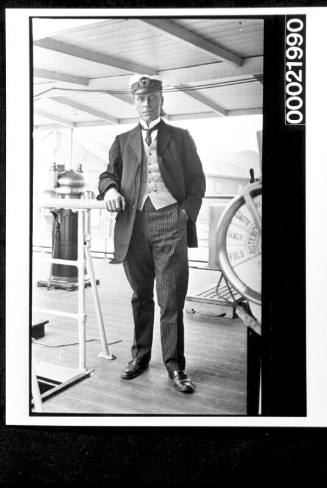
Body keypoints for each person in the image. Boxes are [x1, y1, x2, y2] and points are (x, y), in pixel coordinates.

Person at [97, 74, 206, 393]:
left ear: (161, 101)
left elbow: (198, 181)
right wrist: (110, 190)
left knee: (171, 298)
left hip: (171, 221)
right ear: (134, 102)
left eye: (152, 97)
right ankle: (140, 357)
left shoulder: (182, 137)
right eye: (141, 98)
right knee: (141, 295)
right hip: (133, 224)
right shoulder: (122, 140)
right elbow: (107, 175)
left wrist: (185, 211)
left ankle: (175, 366)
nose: (147, 103)